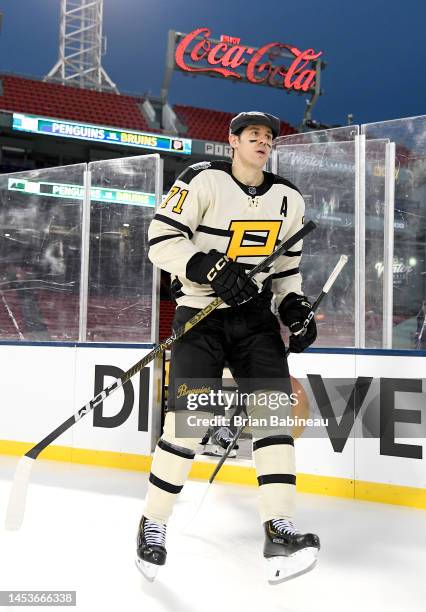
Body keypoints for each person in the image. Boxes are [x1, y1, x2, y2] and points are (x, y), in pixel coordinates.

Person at [136, 111, 319, 584]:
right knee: (188, 424)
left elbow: (285, 275)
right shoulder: (201, 180)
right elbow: (160, 241)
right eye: (253, 135)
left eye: (268, 137)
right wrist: (208, 267)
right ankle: (153, 523)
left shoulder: (288, 198)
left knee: (273, 422)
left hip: (256, 323)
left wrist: (294, 308)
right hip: (201, 317)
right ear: (232, 141)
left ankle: (279, 527)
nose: (262, 142)